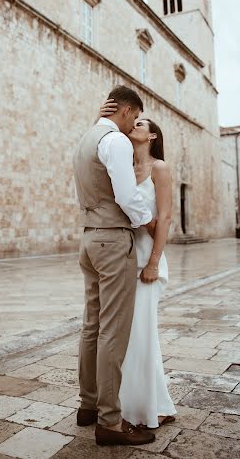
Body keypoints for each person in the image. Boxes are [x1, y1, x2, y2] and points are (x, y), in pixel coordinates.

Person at [73, 85, 157, 447]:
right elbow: (126, 194)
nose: (133, 125)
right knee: (113, 329)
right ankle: (110, 421)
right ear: (124, 112)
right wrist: (148, 218)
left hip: (89, 238)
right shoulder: (118, 141)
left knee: (92, 324)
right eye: (134, 118)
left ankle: (88, 405)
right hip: (112, 240)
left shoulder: (86, 139)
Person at [100, 98, 177, 429]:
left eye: (142, 124)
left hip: (149, 258)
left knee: (143, 333)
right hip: (126, 258)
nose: (136, 125)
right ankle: (147, 404)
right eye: (135, 122)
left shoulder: (159, 168)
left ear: (153, 137)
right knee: (131, 336)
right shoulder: (126, 168)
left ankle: (147, 408)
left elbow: (167, 217)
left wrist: (154, 262)